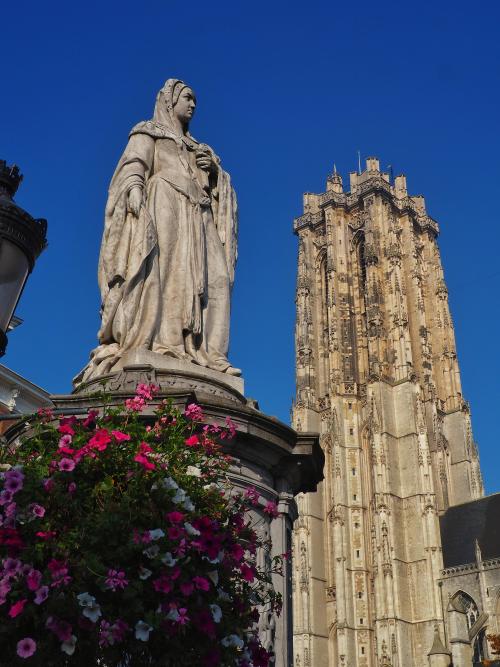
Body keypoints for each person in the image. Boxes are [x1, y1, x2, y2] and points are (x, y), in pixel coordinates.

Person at [75, 79, 240, 386]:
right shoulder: (148, 131)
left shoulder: (199, 148)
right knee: (165, 276)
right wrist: (135, 191)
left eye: (195, 101)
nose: (192, 105)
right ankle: (166, 342)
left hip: (199, 214)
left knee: (216, 278)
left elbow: (220, 190)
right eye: (187, 98)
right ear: (169, 101)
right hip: (164, 203)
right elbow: (133, 165)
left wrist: (216, 175)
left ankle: (211, 353)